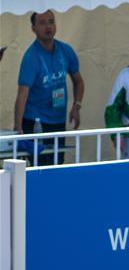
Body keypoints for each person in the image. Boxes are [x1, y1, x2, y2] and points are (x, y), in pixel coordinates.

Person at [14, 10, 84, 166]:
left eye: (51, 22)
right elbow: (22, 94)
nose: (48, 27)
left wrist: (76, 106)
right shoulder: (31, 57)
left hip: (58, 120)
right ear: (33, 28)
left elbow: (79, 81)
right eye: (42, 23)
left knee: (57, 165)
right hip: (35, 121)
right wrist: (18, 127)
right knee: (40, 168)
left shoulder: (65, 50)